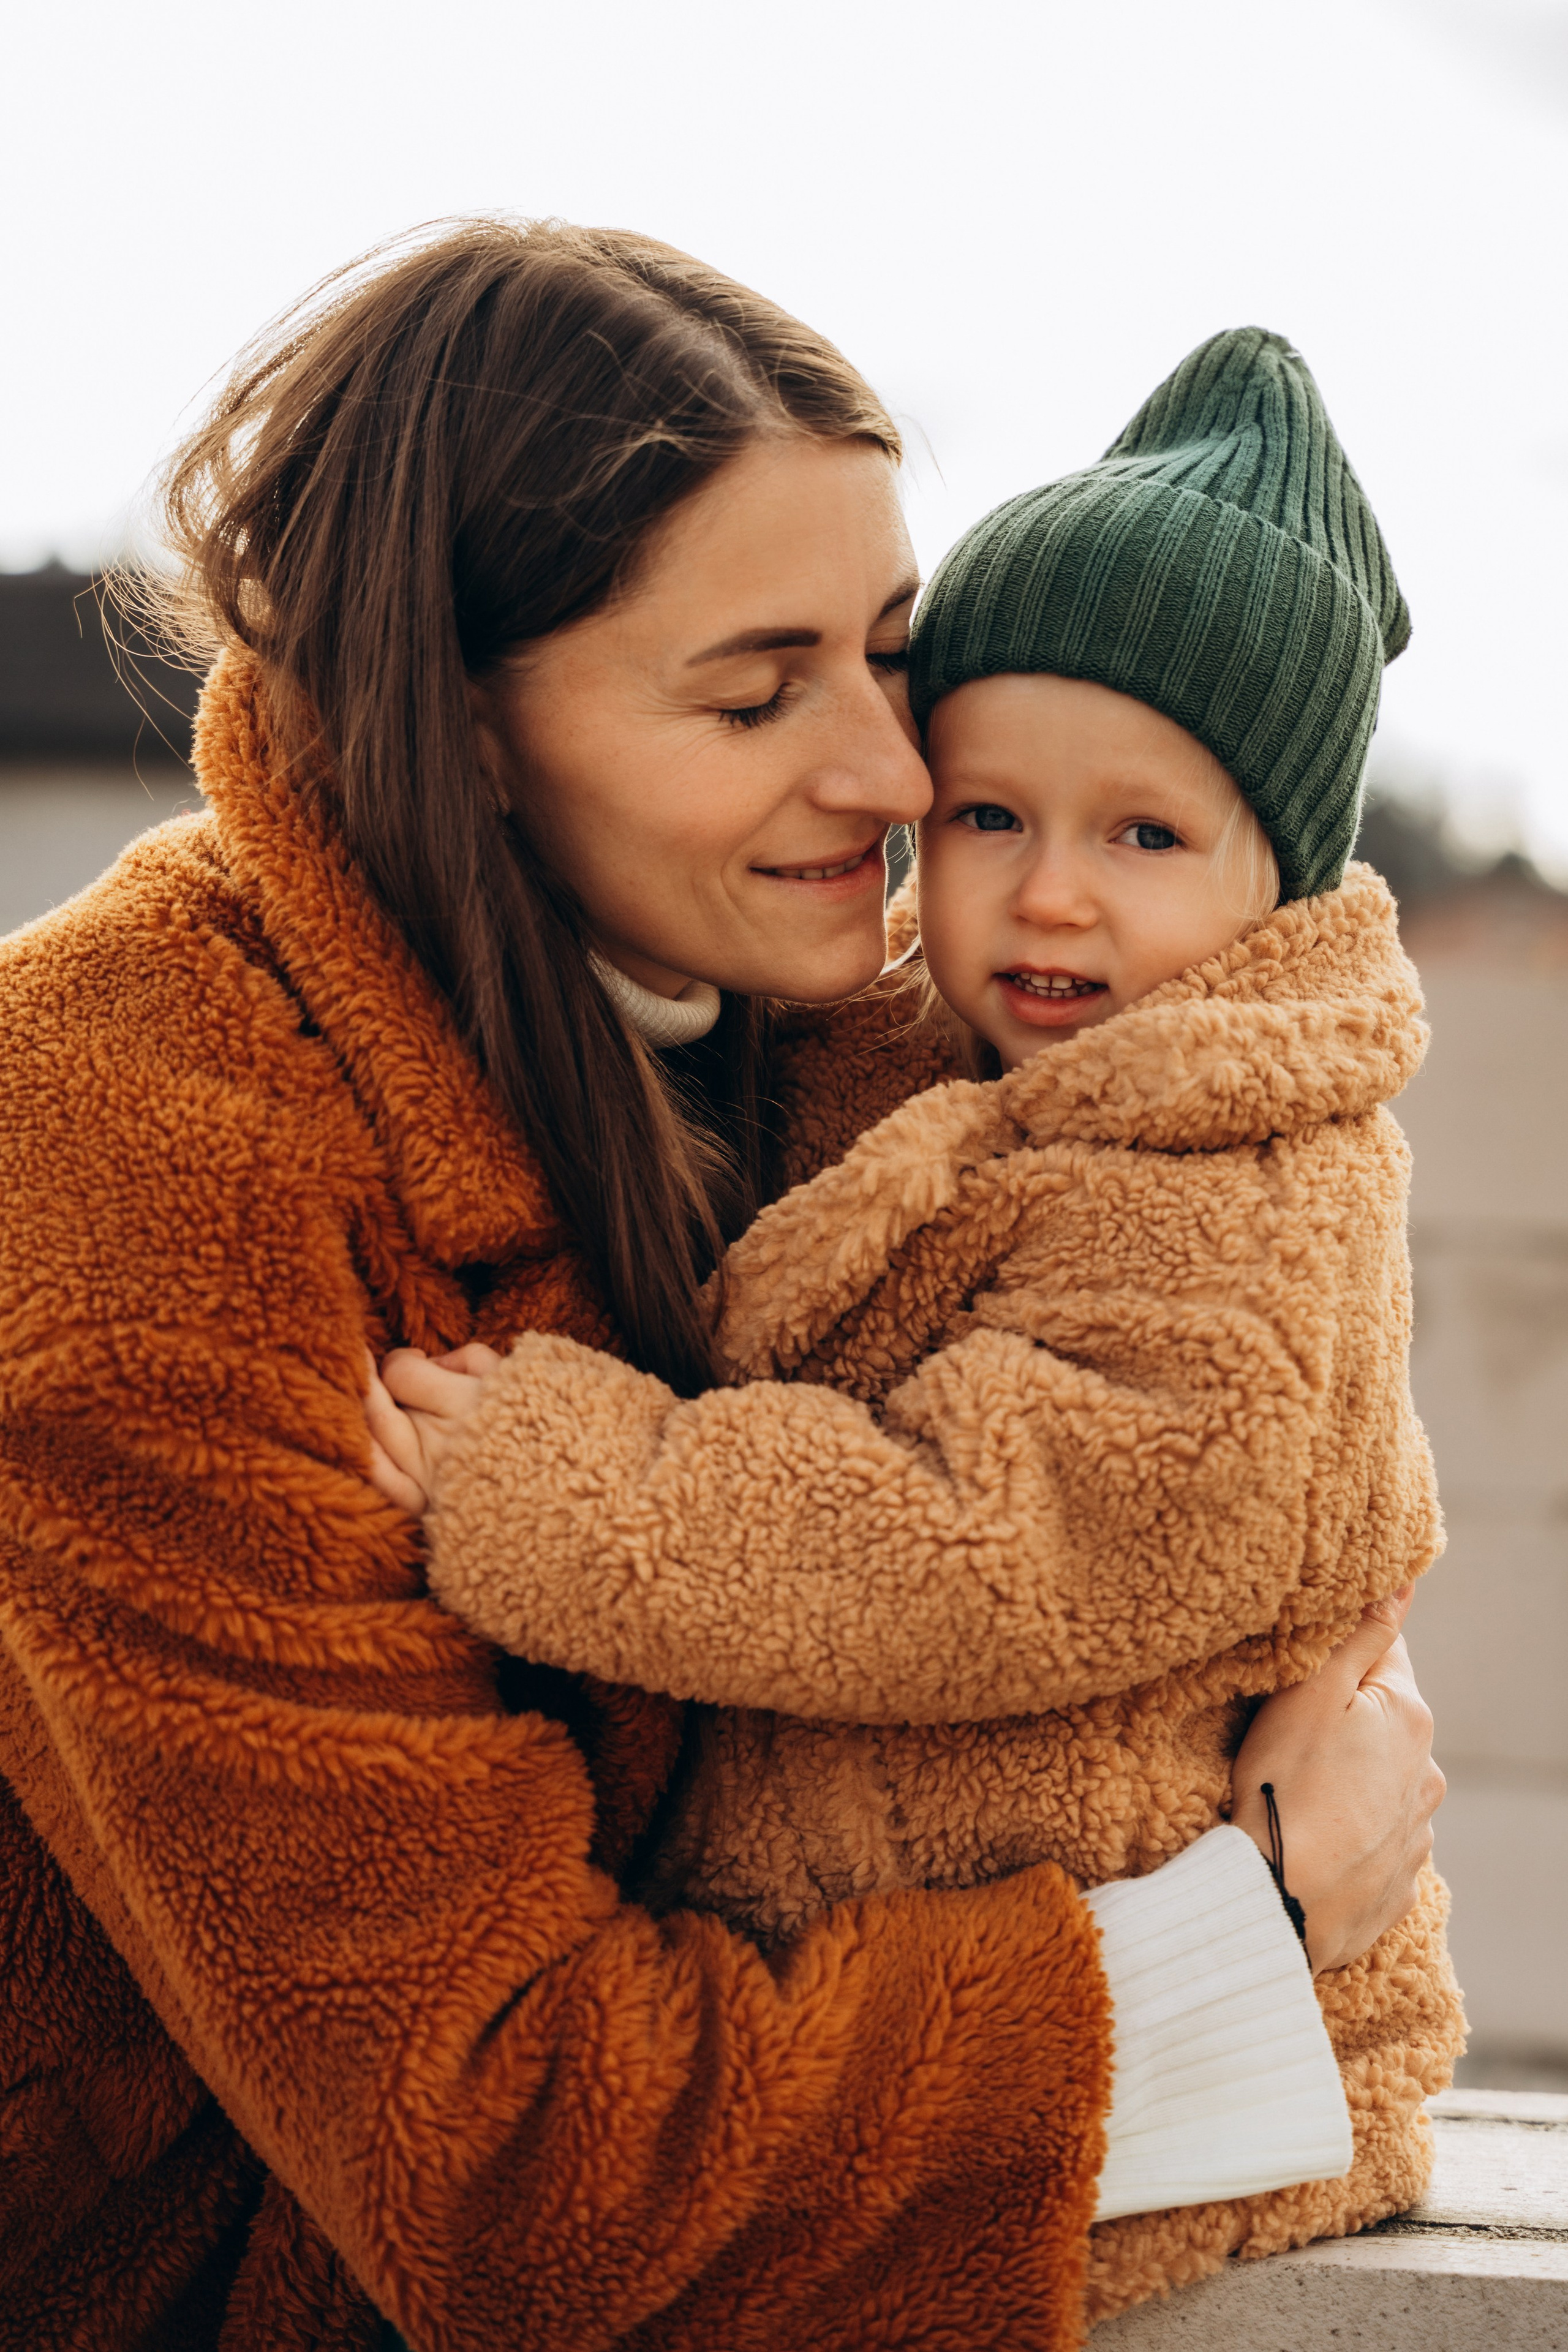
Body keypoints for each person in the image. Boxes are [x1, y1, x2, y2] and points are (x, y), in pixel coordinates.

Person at [0, 225, 1442, 2352]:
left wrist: (1336, 1672)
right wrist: (1245, 1949)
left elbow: (1182, 1439)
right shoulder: (123, 1146)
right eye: (760, 692)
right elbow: (505, 2165)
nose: (883, 774)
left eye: (888, 651)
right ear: (463, 728)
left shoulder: (840, 1013)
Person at [365, 328, 1464, 2321]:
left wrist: (563, 1482)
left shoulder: (1243, 1191)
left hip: (1167, 2064)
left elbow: (980, 1541)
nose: (1051, 900)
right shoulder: (958, 1073)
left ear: (1278, 884)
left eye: (1145, 837)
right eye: (986, 820)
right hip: (953, 1979)